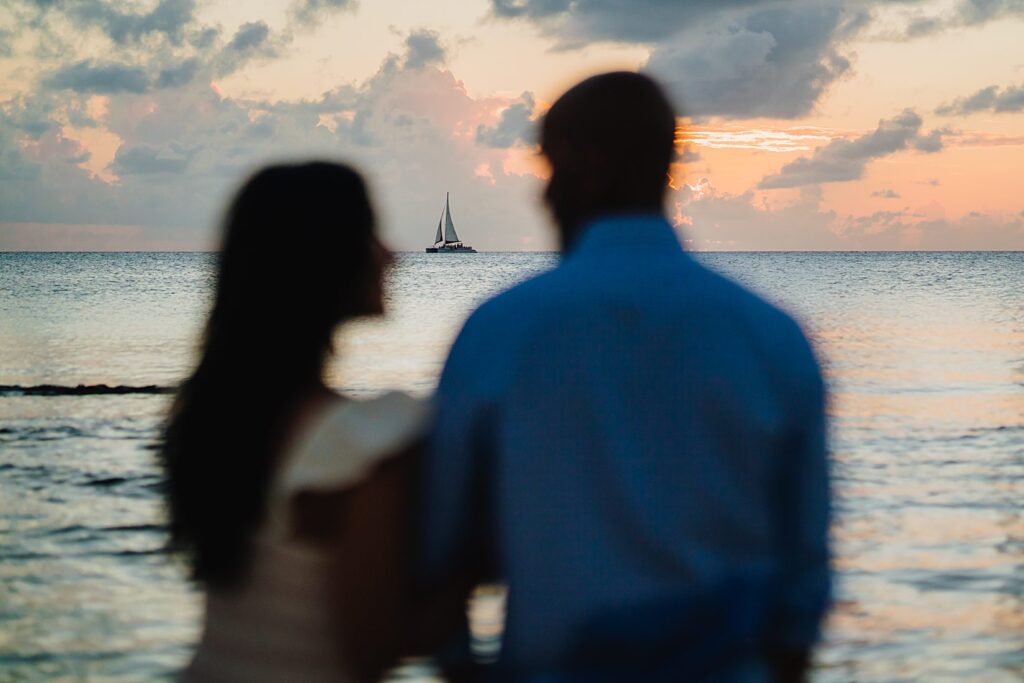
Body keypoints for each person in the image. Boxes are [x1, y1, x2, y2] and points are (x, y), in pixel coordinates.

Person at [419, 72, 832, 682]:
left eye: (550, 169)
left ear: (592, 166)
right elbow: (803, 578)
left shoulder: (499, 331)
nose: (545, 195)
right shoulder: (773, 337)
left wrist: (460, 664)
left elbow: (441, 552)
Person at [160, 162, 463, 682]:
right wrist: (476, 564)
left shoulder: (217, 415)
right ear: (326, 258)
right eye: (368, 233)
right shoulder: (359, 442)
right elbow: (370, 650)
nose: (390, 255)